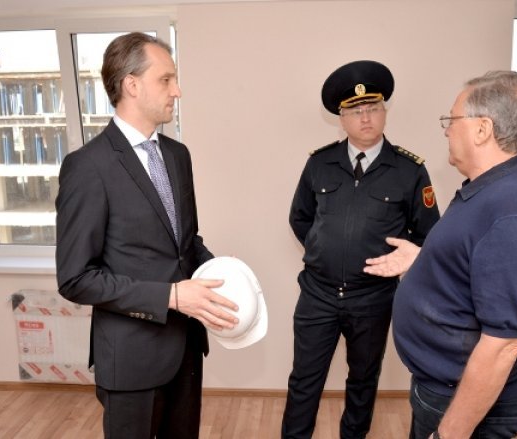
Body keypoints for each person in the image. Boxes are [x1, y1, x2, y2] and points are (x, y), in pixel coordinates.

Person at [364, 70, 517, 439]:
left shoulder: (511, 212)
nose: (446, 130)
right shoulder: (500, 188)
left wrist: (449, 434)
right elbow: (477, 266)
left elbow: (504, 343)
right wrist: (425, 260)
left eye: (452, 120)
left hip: (461, 401)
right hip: (445, 385)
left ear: (482, 129)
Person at [55, 32, 239, 439]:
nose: (178, 90)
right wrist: (170, 296)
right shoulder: (88, 167)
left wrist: (226, 275)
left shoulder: (177, 156)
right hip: (131, 360)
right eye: (166, 79)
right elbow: (75, 277)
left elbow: (184, 242)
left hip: (187, 349)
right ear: (131, 85)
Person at [282, 60, 441, 439]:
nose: (365, 118)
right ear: (341, 118)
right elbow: (300, 218)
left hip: (372, 298)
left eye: (373, 108)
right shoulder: (320, 163)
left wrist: (390, 265)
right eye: (355, 111)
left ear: (385, 112)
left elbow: (427, 235)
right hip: (317, 295)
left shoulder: (410, 170)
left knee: (363, 382)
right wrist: (325, 250)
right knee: (304, 381)